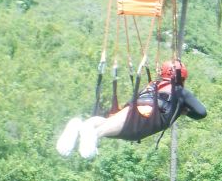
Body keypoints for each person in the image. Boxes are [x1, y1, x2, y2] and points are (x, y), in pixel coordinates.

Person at [56, 59, 206, 158]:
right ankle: (92, 136)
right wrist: (185, 111)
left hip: (135, 110)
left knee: (104, 123)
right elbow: (201, 112)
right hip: (145, 120)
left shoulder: (152, 86)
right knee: (101, 132)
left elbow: (133, 103)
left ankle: (82, 125)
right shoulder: (180, 91)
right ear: (181, 78)